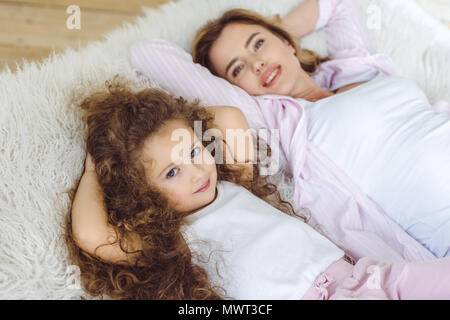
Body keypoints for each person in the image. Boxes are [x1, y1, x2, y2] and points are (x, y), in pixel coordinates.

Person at [67, 80, 450, 300]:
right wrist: (96, 167)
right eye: (172, 172)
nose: (197, 169)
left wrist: (180, 122)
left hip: (367, 278)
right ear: (141, 194)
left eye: (193, 150)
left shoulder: (234, 181)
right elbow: (90, 233)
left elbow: (228, 118)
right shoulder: (170, 240)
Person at [129, 0, 450, 258]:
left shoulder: (355, 67)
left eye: (258, 45)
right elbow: (146, 53)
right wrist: (265, 46)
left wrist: (279, 35)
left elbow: (338, 5)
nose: (257, 64)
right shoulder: (273, 123)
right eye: (237, 68)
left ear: (287, 43)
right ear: (234, 89)